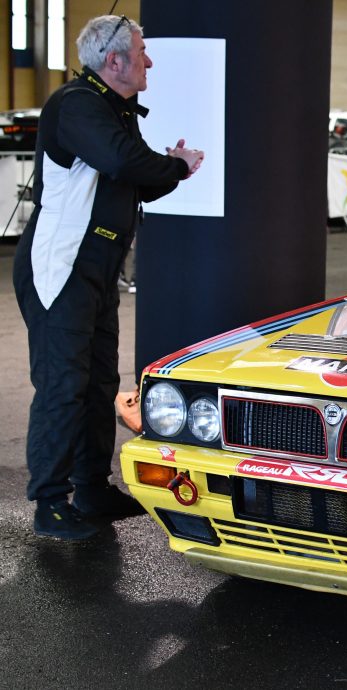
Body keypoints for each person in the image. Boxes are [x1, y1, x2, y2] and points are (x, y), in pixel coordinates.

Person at [12, 15, 203, 540]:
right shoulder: (76, 104)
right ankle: (50, 504)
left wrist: (173, 169)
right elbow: (122, 162)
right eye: (141, 51)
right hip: (62, 266)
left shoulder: (112, 109)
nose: (150, 60)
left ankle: (92, 489)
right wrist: (173, 165)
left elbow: (136, 183)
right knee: (63, 385)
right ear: (114, 61)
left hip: (97, 266)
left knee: (98, 383)